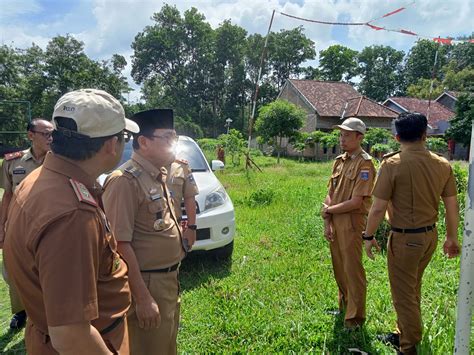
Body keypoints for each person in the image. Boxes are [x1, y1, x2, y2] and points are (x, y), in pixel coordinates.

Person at [3, 88, 139, 354]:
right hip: (93, 342)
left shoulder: (43, 179)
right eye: (124, 137)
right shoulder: (71, 214)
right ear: (111, 145)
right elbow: (71, 335)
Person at [363, 112, 460, 354]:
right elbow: (451, 206)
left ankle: (408, 345)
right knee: (413, 286)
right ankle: (402, 332)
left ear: (396, 137)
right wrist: (451, 237)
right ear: (425, 134)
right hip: (429, 237)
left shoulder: (391, 164)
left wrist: (367, 236)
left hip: (406, 239)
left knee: (403, 294)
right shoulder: (442, 164)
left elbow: (377, 208)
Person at [102, 108, 186, 355]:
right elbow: (119, 245)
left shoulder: (157, 175)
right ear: (144, 142)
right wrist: (142, 297)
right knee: (148, 347)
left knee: (165, 344)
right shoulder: (124, 181)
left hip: (167, 279)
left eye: (175, 138)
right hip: (147, 283)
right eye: (168, 137)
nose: (174, 144)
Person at [321, 117, 376, 329]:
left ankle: (355, 318)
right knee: (339, 267)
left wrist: (329, 210)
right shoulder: (339, 161)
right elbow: (330, 193)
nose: (341, 139)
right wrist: (328, 220)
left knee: (353, 270)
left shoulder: (365, 164)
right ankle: (344, 307)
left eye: (346, 135)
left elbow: (356, 202)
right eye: (340, 134)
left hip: (352, 222)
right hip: (335, 220)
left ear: (359, 137)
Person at [0, 118, 53, 331]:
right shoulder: (14, 162)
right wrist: (1, 229)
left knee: (47, 271)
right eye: (45, 134)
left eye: (53, 134)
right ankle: (21, 312)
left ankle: (47, 311)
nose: (51, 138)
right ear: (31, 135)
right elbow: (7, 196)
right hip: (18, 228)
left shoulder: (58, 160)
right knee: (15, 271)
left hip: (48, 227)